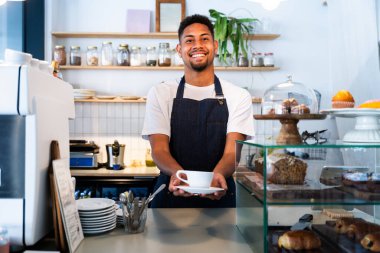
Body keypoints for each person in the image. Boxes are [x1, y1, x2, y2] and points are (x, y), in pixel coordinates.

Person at [142, 14, 254, 208]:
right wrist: (179, 175)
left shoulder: (239, 96)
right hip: (172, 191)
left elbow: (231, 154)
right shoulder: (160, 93)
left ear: (215, 46)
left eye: (204, 38)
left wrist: (217, 175)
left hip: (219, 191)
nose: (197, 45)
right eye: (189, 40)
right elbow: (159, 149)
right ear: (179, 49)